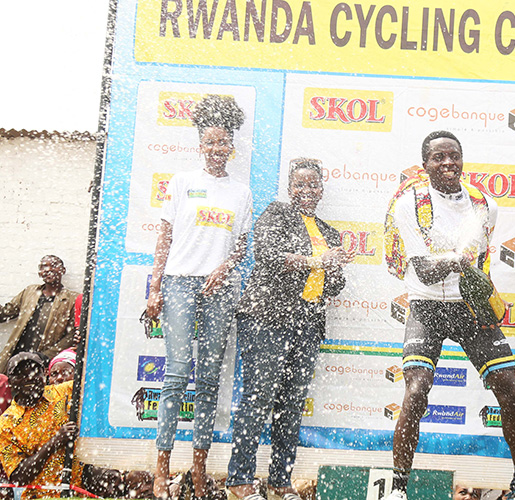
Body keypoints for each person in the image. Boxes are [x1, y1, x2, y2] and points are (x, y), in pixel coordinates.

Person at [384, 131, 515, 500]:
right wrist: (456, 259)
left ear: (462, 159)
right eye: (438, 157)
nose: (448, 164)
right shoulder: (409, 203)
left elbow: (472, 260)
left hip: (469, 307)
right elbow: (424, 271)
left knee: (509, 386)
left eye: (453, 156)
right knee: (417, 387)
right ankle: (397, 488)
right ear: (425, 165)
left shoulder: (484, 202)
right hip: (426, 304)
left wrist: (456, 262)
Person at [225, 158, 353, 500]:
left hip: (306, 324)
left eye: (313, 185)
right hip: (266, 319)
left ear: (322, 190)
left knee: (291, 404)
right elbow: (267, 256)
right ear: (289, 189)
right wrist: (318, 261)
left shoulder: (328, 232)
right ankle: (240, 482)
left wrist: (336, 264)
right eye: (300, 185)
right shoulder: (277, 214)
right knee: (258, 398)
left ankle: (280, 483)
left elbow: (334, 284)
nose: (307, 191)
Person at [145, 94, 253, 500]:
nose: (216, 150)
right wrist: (155, 288)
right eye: (209, 143)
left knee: (208, 381)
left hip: (221, 289)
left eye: (223, 143)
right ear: (199, 145)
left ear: (231, 146)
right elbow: (164, 237)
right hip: (179, 284)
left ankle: (198, 471)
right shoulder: (182, 183)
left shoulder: (241, 192)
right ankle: (161, 469)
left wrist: (225, 267)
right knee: (175, 376)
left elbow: (241, 246)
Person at [0, 352, 153, 499]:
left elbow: (102, 382)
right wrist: (54, 443)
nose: (30, 378)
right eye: (21, 375)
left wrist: (87, 342)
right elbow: (19, 477)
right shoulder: (5, 424)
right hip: (41, 496)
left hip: (82, 489)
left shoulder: (64, 391)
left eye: (35, 372)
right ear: (10, 381)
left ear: (44, 374)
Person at [0, 256, 78, 373]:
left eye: (53, 266)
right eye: (43, 267)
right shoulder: (30, 291)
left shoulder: (72, 299)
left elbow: (72, 335)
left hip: (43, 363)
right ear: (39, 273)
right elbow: (6, 313)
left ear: (63, 270)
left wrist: (45, 356)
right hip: (14, 359)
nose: (47, 269)